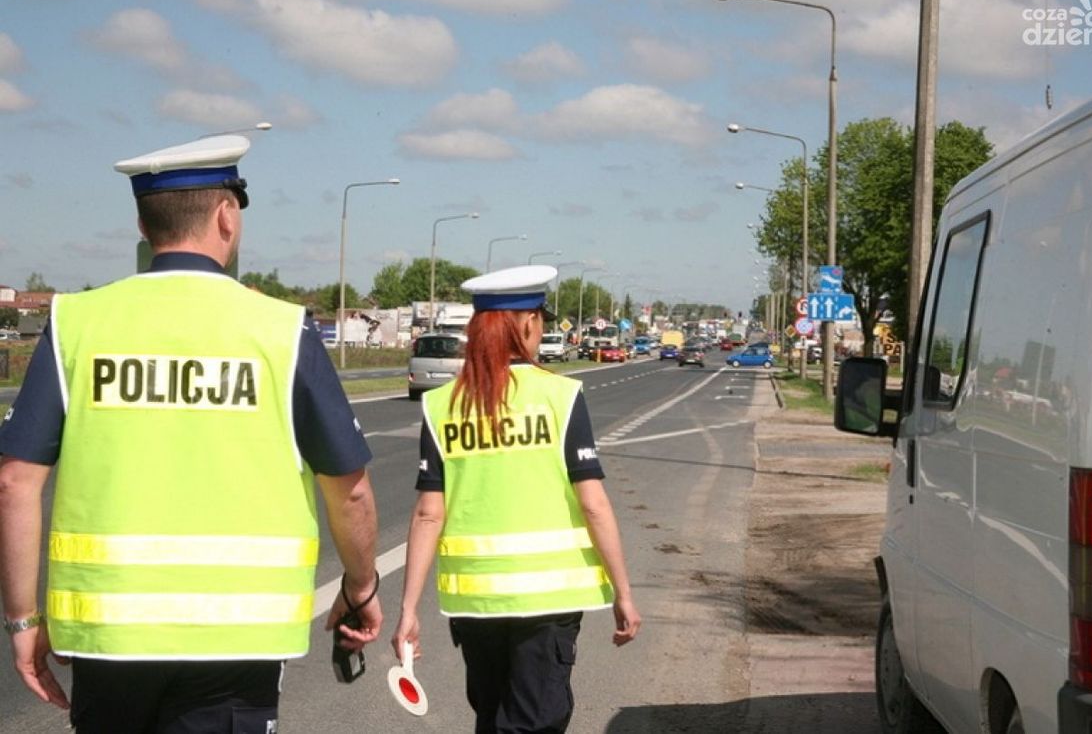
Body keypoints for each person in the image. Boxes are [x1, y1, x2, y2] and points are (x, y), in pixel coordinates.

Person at [0, 134, 381, 732]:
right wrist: (360, 587)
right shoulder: (280, 330)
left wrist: (23, 621)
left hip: (108, 638)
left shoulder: (77, 322)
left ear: (143, 221)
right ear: (226, 216)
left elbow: (15, 482)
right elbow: (350, 489)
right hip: (235, 641)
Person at [392, 264, 640, 733]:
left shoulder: (443, 404)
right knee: (532, 722)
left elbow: (429, 514)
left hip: (476, 607)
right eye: (540, 320)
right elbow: (593, 504)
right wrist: (623, 593)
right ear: (527, 324)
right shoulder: (560, 397)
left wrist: (408, 611)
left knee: (493, 717)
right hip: (547, 602)